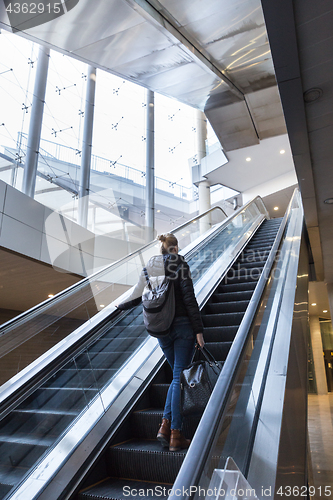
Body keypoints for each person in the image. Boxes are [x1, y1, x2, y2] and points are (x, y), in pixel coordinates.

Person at [117, 233, 204, 452]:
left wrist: (117, 308)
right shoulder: (180, 262)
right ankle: (176, 433)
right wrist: (199, 331)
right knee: (178, 378)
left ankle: (165, 426)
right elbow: (189, 297)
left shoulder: (150, 266)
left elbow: (136, 296)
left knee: (176, 377)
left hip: (160, 329)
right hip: (182, 327)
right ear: (174, 249)